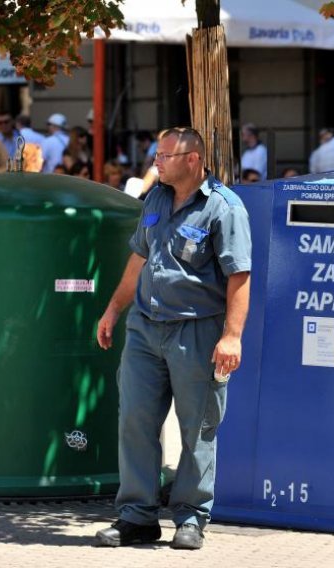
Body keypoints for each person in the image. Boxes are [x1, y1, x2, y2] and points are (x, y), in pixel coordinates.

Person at [94, 126, 251, 550]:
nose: (156, 162)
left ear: (193, 160)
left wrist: (232, 337)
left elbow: (239, 276)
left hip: (197, 330)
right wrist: (113, 309)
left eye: (165, 155)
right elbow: (138, 258)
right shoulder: (158, 197)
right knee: (136, 421)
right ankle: (136, 516)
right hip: (146, 327)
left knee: (197, 427)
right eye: (156, 154)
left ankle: (191, 517)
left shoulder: (224, 209)